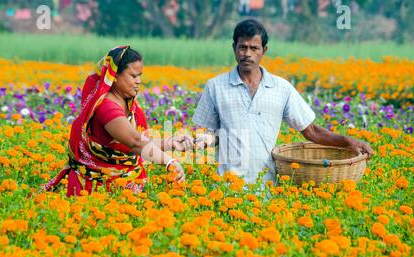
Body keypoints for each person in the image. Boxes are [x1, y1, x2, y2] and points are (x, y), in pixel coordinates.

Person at [193, 19, 373, 186]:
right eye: (242, 47)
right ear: (234, 48)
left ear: (264, 50)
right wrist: (197, 142)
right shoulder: (216, 86)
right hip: (226, 187)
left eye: (254, 48)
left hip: (267, 186)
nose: (247, 54)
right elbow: (204, 133)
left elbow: (310, 131)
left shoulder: (281, 88)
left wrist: (348, 141)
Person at [42, 46, 193, 196]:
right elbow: (134, 142)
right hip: (97, 191)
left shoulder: (127, 103)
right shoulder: (106, 108)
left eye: (140, 76)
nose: (139, 81)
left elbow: (135, 143)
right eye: (133, 76)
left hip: (123, 187)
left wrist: (169, 143)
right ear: (114, 76)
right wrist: (169, 162)